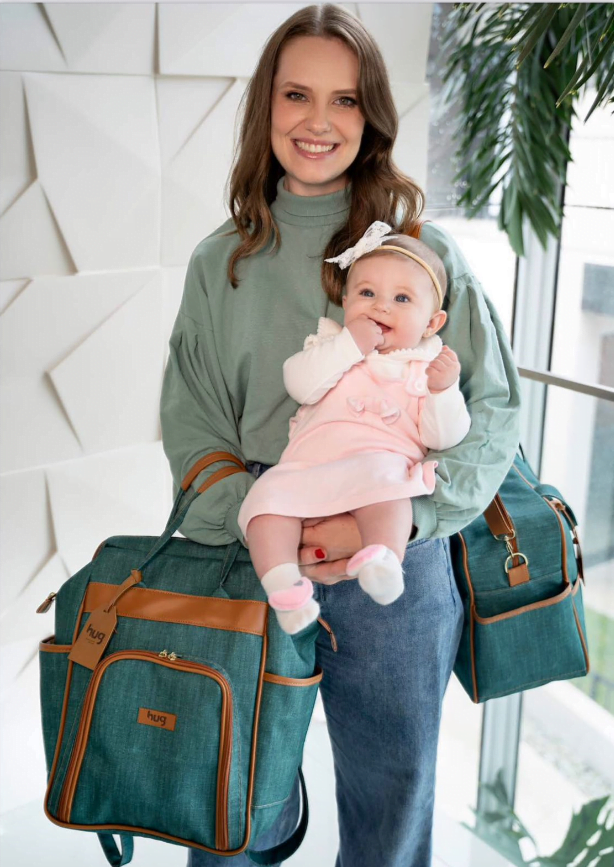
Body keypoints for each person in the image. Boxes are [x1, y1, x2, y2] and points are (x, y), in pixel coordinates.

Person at [159, 4, 520, 866]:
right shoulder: (221, 260)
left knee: (392, 807)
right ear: (267, 106)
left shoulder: (426, 255)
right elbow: (192, 418)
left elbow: (494, 409)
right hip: (255, 546)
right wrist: (278, 525)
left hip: (398, 550)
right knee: (230, 807)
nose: (318, 121)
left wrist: (395, 523)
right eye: (297, 94)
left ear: (372, 115)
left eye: (345, 99)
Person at [237, 227, 472, 634]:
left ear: (431, 323)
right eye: (366, 293)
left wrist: (443, 391)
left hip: (378, 466)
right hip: (307, 467)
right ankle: (285, 590)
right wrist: (349, 345)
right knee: (264, 505)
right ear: (345, 302)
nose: (380, 306)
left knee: (391, 495)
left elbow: (442, 438)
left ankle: (384, 560)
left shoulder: (424, 368)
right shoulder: (329, 347)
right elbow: (299, 384)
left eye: (401, 299)